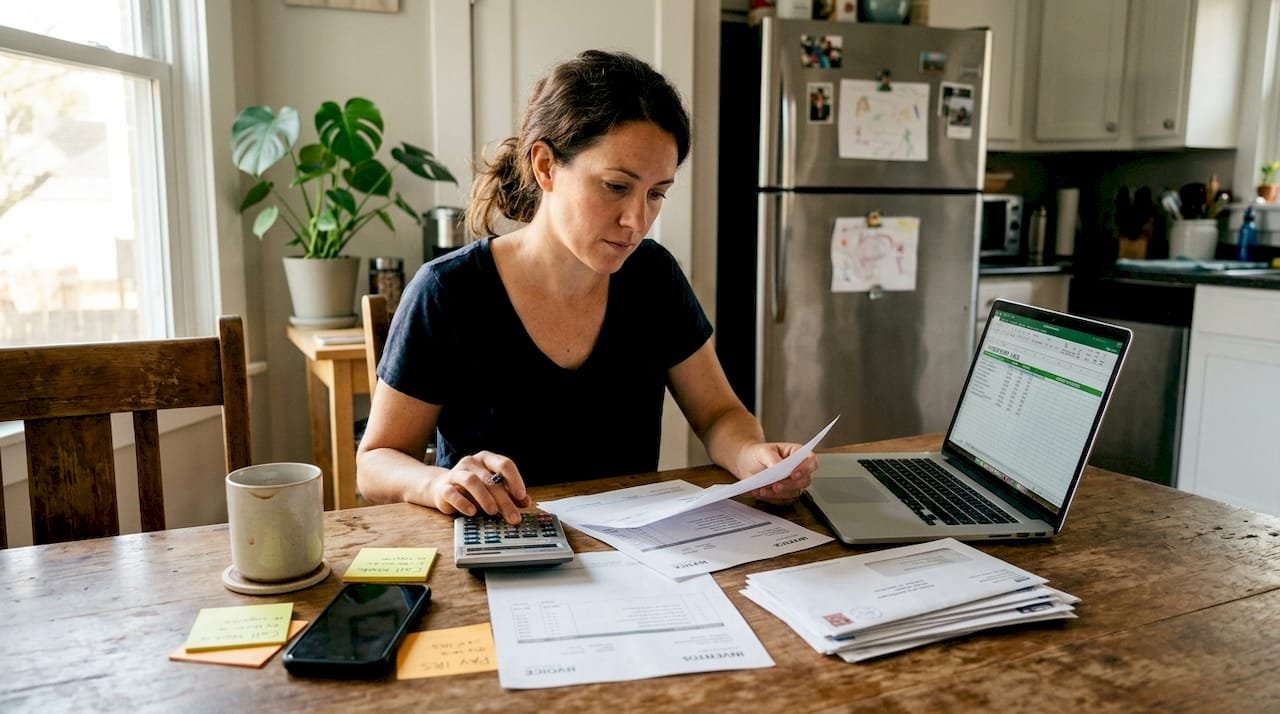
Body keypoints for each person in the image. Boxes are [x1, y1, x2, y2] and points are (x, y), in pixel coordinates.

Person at [356, 50, 817, 525]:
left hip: (632, 558)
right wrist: (436, 482)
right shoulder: (447, 292)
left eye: (656, 193)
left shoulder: (654, 277)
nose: (637, 221)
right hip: (499, 554)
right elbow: (375, 462)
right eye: (616, 186)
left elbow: (719, 414)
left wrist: (753, 458)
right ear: (545, 166)